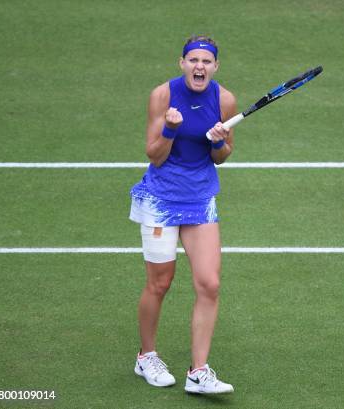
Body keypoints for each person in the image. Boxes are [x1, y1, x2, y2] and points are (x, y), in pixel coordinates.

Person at [129, 34, 236, 394]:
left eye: (206, 61)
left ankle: (198, 371)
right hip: (161, 199)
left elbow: (221, 157)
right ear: (182, 63)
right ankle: (146, 356)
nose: (199, 67)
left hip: (200, 200)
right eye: (193, 60)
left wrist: (219, 140)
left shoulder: (224, 99)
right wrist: (171, 129)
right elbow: (154, 154)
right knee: (160, 283)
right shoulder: (163, 95)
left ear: (215, 67)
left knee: (210, 283)